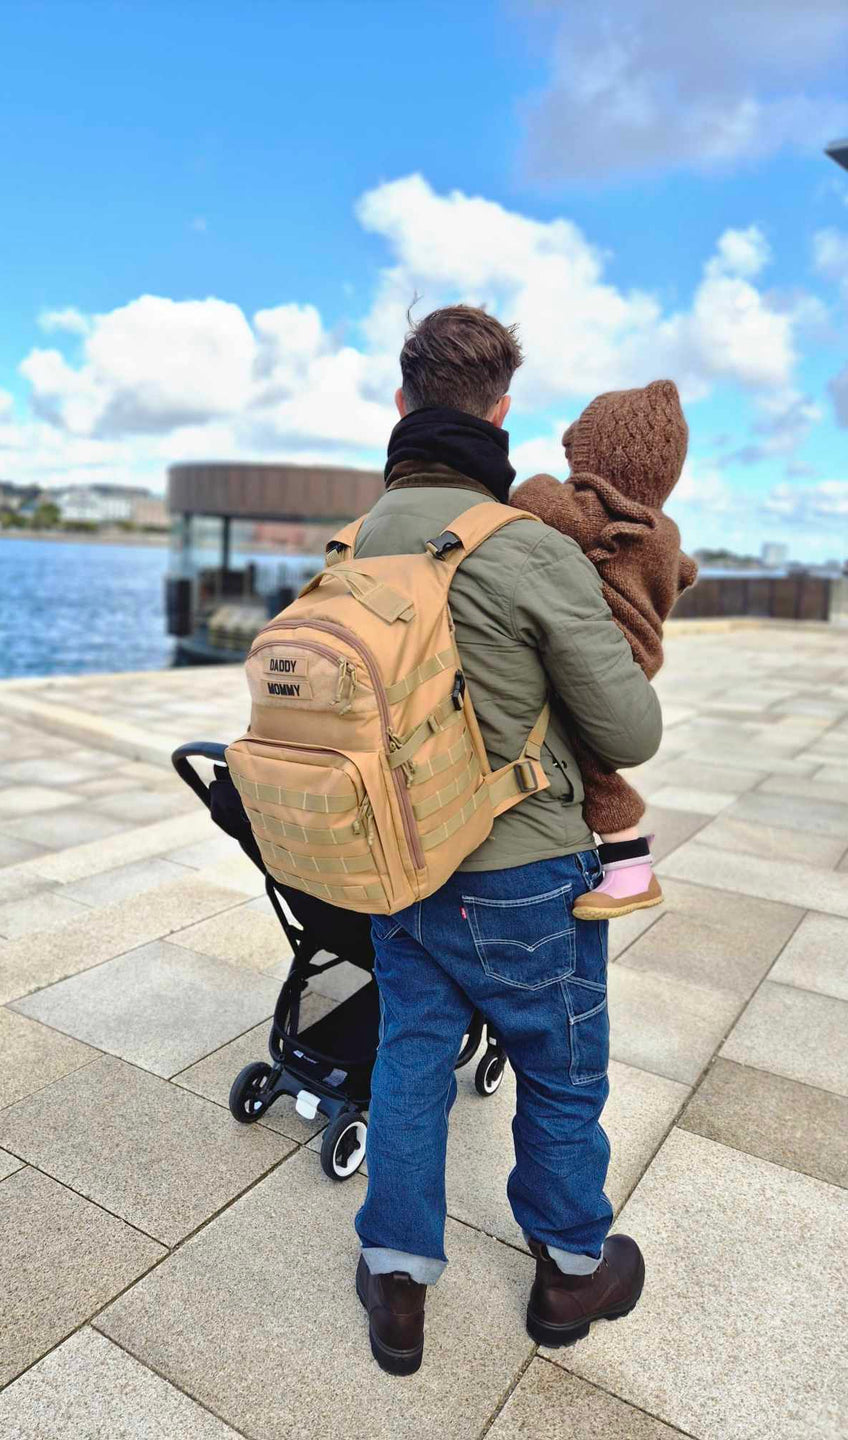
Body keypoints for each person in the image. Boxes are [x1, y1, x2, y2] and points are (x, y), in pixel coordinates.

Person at [351, 305, 663, 1375]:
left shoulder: (355, 542)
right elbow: (630, 730)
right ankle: (572, 1269)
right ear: (501, 413)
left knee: (410, 1061)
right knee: (562, 1070)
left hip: (396, 861)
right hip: (521, 869)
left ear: (402, 406)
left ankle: (397, 1281)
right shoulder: (523, 548)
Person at [512, 380, 698, 921]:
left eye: (579, 446)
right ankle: (629, 865)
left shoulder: (602, 517)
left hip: (609, 651)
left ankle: (632, 868)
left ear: (609, 458)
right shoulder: (660, 528)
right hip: (636, 653)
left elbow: (532, 497)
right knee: (586, 749)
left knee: (586, 755)